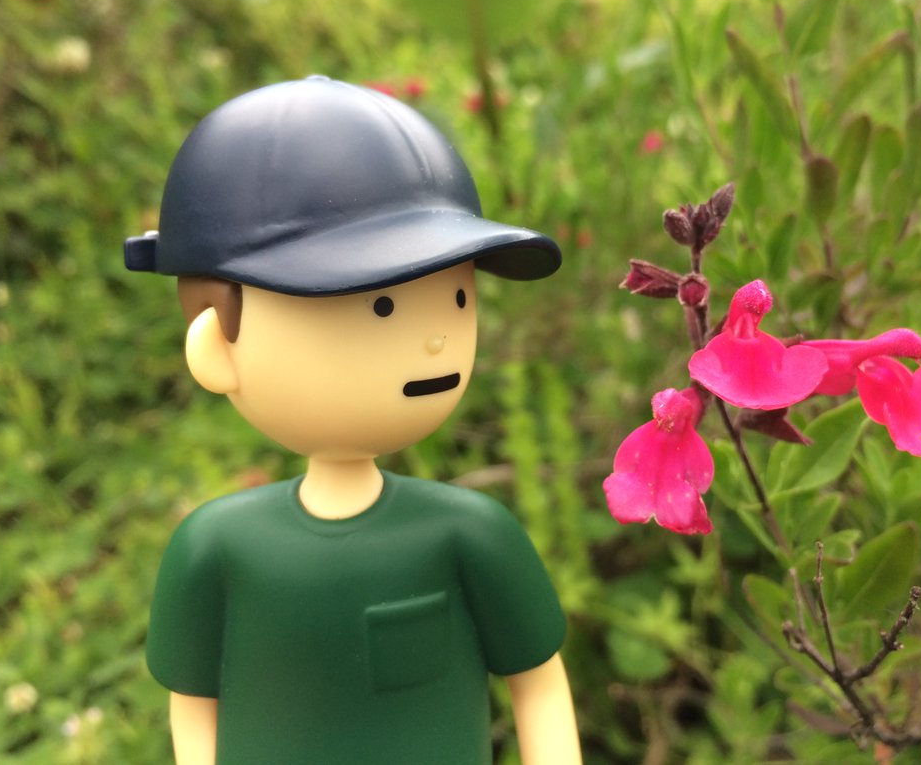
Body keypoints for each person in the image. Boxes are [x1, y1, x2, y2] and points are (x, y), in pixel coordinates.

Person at [123, 76, 580, 765]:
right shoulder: (214, 550)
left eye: (456, 297)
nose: (437, 340)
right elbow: (192, 706)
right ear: (217, 349)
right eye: (383, 307)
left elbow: (539, 685)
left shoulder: (470, 534)